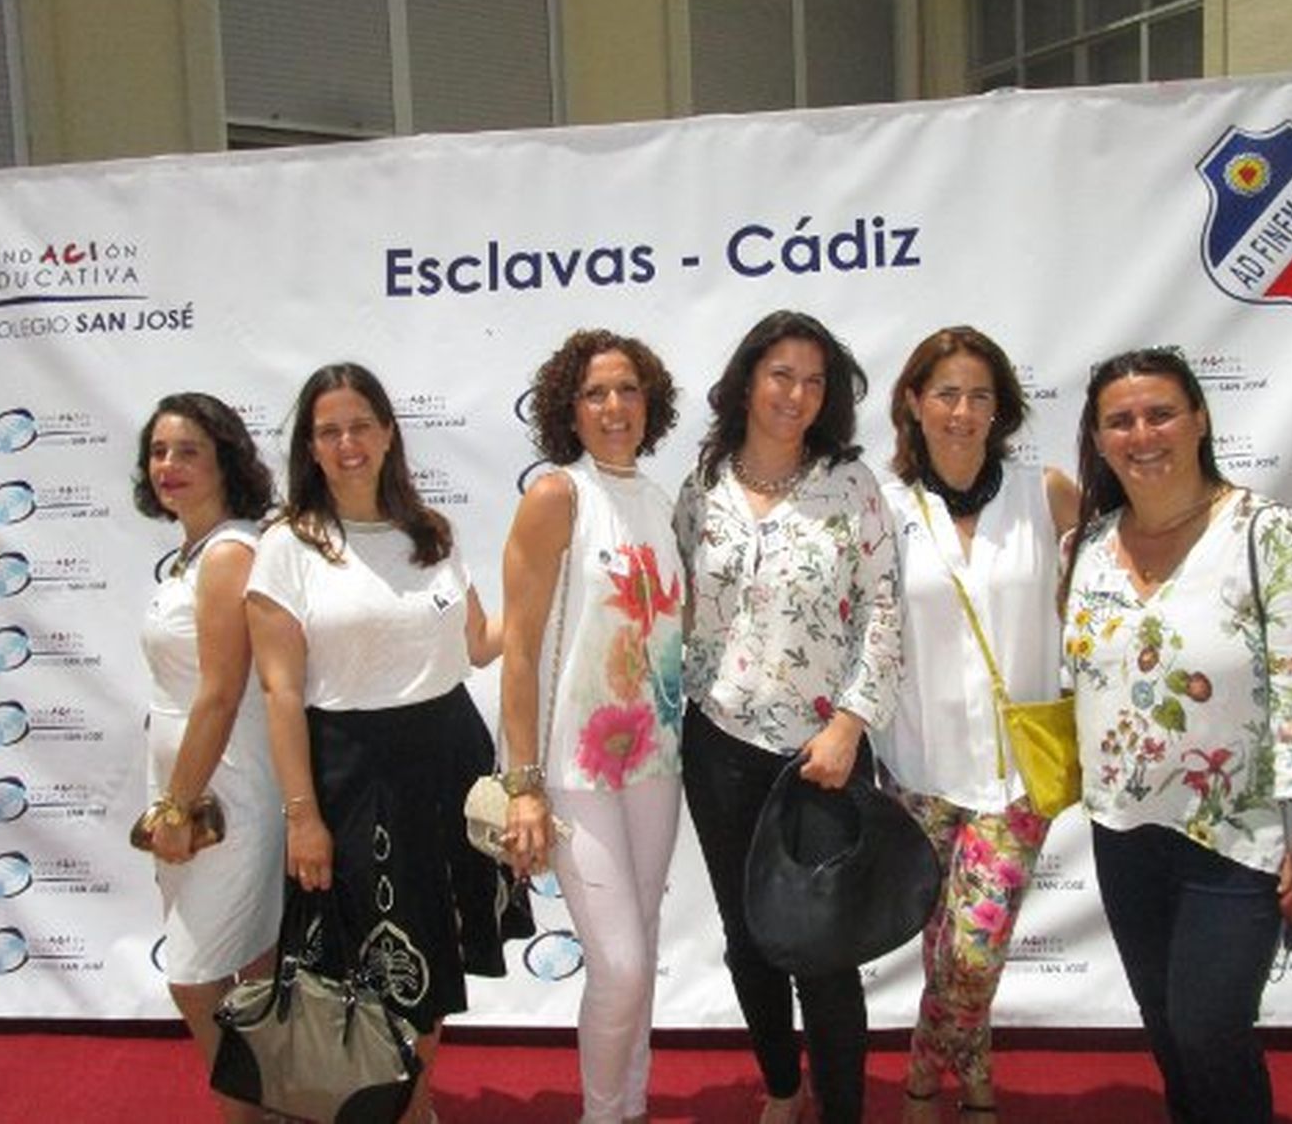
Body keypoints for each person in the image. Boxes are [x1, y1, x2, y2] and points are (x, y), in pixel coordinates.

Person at [1062, 346, 1292, 1124]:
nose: (1142, 434)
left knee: (1209, 1026)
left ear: (1200, 419)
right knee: (1166, 1026)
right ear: (1099, 441)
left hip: (1236, 836)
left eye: (1161, 413)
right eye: (1119, 421)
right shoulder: (1088, 549)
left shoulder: (1273, 539)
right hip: (1124, 833)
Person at [245, 362, 506, 1124]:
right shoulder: (289, 545)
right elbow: (280, 692)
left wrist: (565, 593)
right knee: (364, 960)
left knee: (435, 948)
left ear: (390, 433)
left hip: (448, 760)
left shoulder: (431, 533)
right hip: (353, 775)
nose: (348, 442)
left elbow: (483, 643)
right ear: (311, 448)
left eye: (361, 424)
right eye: (329, 431)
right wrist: (302, 815)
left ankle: (414, 1104)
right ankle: (366, 1105)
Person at [674, 309, 901, 1124]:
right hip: (718, 745)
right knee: (750, 939)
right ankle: (780, 1087)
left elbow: (885, 609)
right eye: (781, 375)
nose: (797, 394)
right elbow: (679, 610)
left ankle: (842, 1110)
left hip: (823, 752)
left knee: (825, 951)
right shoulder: (702, 486)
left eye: (814, 381)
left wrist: (851, 724)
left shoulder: (852, 485)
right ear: (747, 382)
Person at [876, 327, 1078, 1123]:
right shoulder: (881, 507)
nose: (962, 411)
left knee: (970, 948)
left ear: (1003, 408)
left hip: (1015, 773)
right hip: (915, 767)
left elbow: (1108, 600)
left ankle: (925, 1073)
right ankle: (977, 1067)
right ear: (914, 404)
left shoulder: (1048, 494)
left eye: (980, 395)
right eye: (946, 394)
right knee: (941, 946)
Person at [501, 329, 684, 1124]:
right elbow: (517, 649)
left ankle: (632, 1106)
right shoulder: (556, 497)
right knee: (618, 963)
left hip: (658, 761)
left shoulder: (659, 498)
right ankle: (602, 1115)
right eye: (596, 393)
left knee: (638, 951)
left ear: (651, 404)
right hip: (574, 770)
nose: (615, 408)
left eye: (629, 391)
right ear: (568, 411)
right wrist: (522, 786)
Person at [133, 391, 284, 1123]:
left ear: (226, 460)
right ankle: (279, 1108)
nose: (169, 465)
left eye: (188, 450)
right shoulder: (190, 557)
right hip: (191, 790)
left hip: (227, 800)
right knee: (249, 976)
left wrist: (175, 804)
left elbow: (221, 695)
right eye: (159, 451)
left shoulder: (230, 553)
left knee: (196, 981)